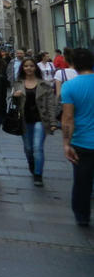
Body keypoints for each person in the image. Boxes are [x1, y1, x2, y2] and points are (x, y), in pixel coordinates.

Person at [60, 47, 94, 226]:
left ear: (73, 65)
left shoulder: (69, 86)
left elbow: (68, 118)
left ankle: (82, 216)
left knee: (82, 181)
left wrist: (66, 143)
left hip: (82, 142)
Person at [14, 57, 58, 186]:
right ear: (23, 68)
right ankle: (32, 164)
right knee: (28, 148)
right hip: (24, 120)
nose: (29, 68)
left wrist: (53, 122)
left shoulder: (44, 84)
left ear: (35, 68)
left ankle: (38, 174)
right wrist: (14, 96)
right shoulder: (18, 83)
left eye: (31, 66)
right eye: (26, 66)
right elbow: (13, 104)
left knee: (37, 147)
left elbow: (50, 105)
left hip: (40, 119)